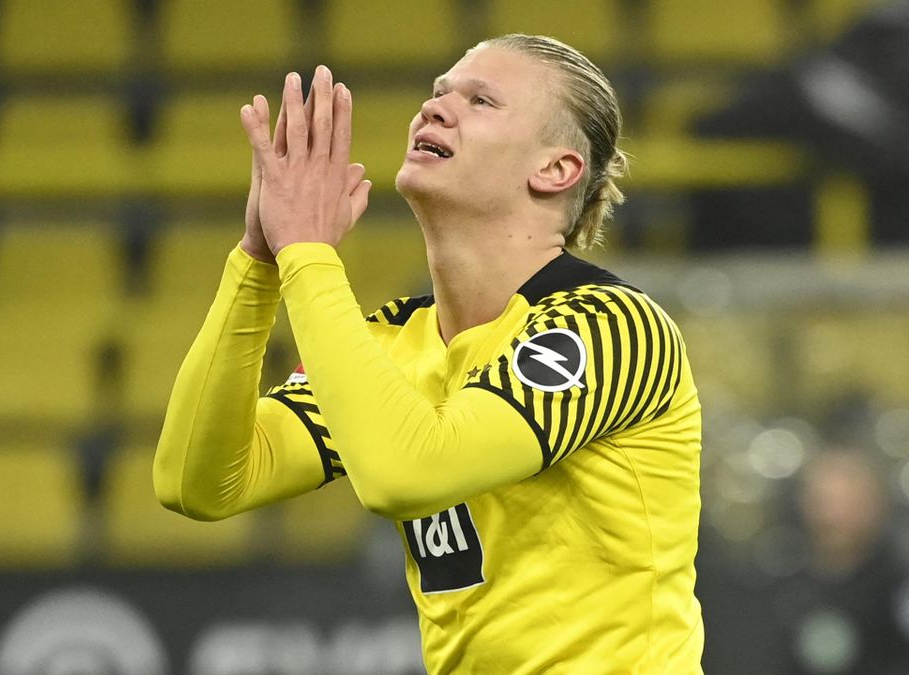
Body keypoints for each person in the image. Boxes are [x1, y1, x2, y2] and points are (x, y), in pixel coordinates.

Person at [154, 34, 703, 672]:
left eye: (481, 101)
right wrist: (258, 260)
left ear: (555, 170)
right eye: (440, 92)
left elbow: (407, 476)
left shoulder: (613, 327)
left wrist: (307, 251)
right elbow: (200, 483)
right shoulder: (396, 340)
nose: (435, 107)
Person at [775, 448, 909, 674]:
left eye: (850, 503)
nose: (833, 517)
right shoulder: (780, 583)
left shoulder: (898, 589)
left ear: (878, 507)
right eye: (824, 502)